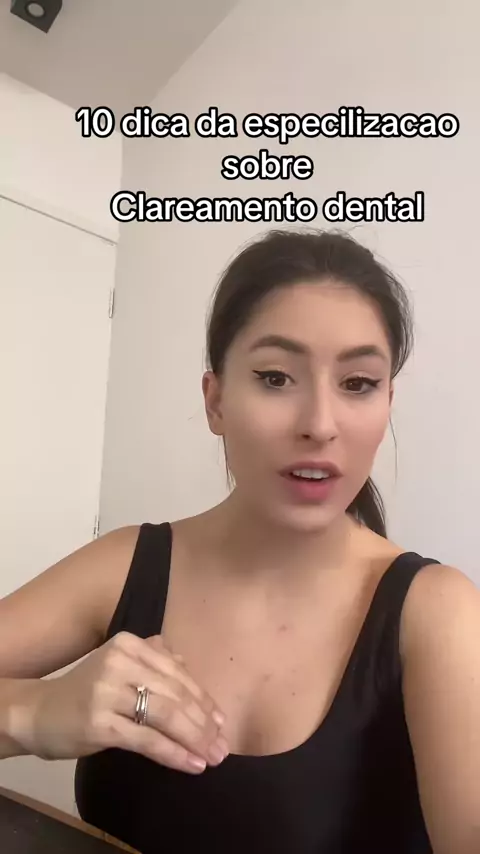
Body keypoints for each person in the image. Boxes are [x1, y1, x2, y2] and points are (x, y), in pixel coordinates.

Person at [0, 229, 479, 854]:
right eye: (276, 377)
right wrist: (34, 713)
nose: (320, 425)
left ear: (388, 401)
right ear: (216, 400)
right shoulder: (128, 565)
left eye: (358, 383)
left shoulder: (436, 613)